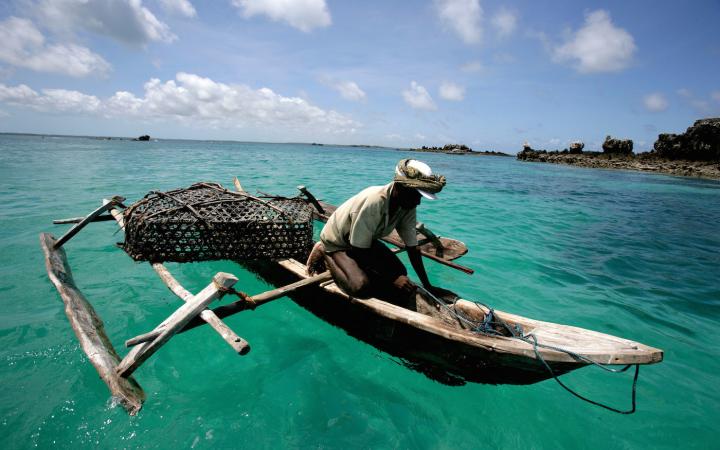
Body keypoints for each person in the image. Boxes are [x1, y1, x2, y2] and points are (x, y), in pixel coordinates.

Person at [307, 158, 452, 305]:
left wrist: (427, 285)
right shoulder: (374, 201)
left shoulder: (407, 205)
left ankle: (360, 270)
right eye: (416, 195)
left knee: (400, 271)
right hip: (338, 242)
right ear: (401, 187)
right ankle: (324, 251)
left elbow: (412, 248)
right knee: (360, 287)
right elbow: (358, 249)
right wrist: (392, 279)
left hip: (363, 242)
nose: (418, 202)